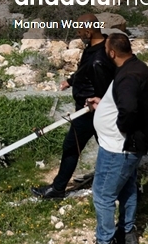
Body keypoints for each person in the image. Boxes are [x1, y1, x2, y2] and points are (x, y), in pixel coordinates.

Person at [86, 33, 148, 244]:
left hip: (118, 148)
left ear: (112, 52)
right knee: (127, 186)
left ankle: (105, 240)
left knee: (103, 196)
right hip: (126, 147)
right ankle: (127, 231)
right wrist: (105, 104)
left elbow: (128, 110)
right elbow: (124, 100)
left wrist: (121, 127)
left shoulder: (128, 77)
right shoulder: (137, 67)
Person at [32, 22, 115, 200]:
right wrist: (71, 81)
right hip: (89, 109)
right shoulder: (97, 47)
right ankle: (127, 184)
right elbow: (84, 70)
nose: (79, 36)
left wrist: (96, 106)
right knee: (110, 147)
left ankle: (58, 188)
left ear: (89, 31)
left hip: (89, 111)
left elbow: (103, 86)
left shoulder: (99, 58)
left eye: (80, 32)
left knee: (71, 147)